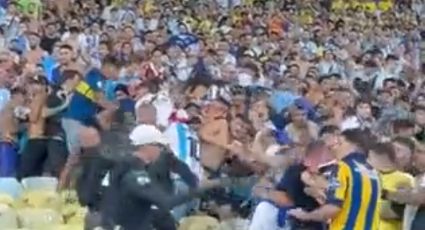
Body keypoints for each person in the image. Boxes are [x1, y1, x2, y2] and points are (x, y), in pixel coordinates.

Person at [100, 124, 222, 230]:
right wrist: (197, 191)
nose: (161, 151)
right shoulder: (134, 172)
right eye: (159, 146)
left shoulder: (124, 165)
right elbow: (166, 202)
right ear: (147, 146)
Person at [288, 128, 381, 230]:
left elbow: (333, 208)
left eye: (340, 143)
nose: (334, 148)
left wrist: (305, 216)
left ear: (354, 146)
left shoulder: (342, 167)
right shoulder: (373, 172)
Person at [367, 142, 414, 230]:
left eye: (369, 158)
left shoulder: (404, 179)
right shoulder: (369, 177)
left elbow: (397, 212)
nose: (367, 162)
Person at [0, 87, 26, 177]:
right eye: (23, 96)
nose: (25, 99)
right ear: (16, 96)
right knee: (7, 175)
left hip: (8, 141)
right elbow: (27, 114)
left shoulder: (7, 108)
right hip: (8, 142)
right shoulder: (14, 104)